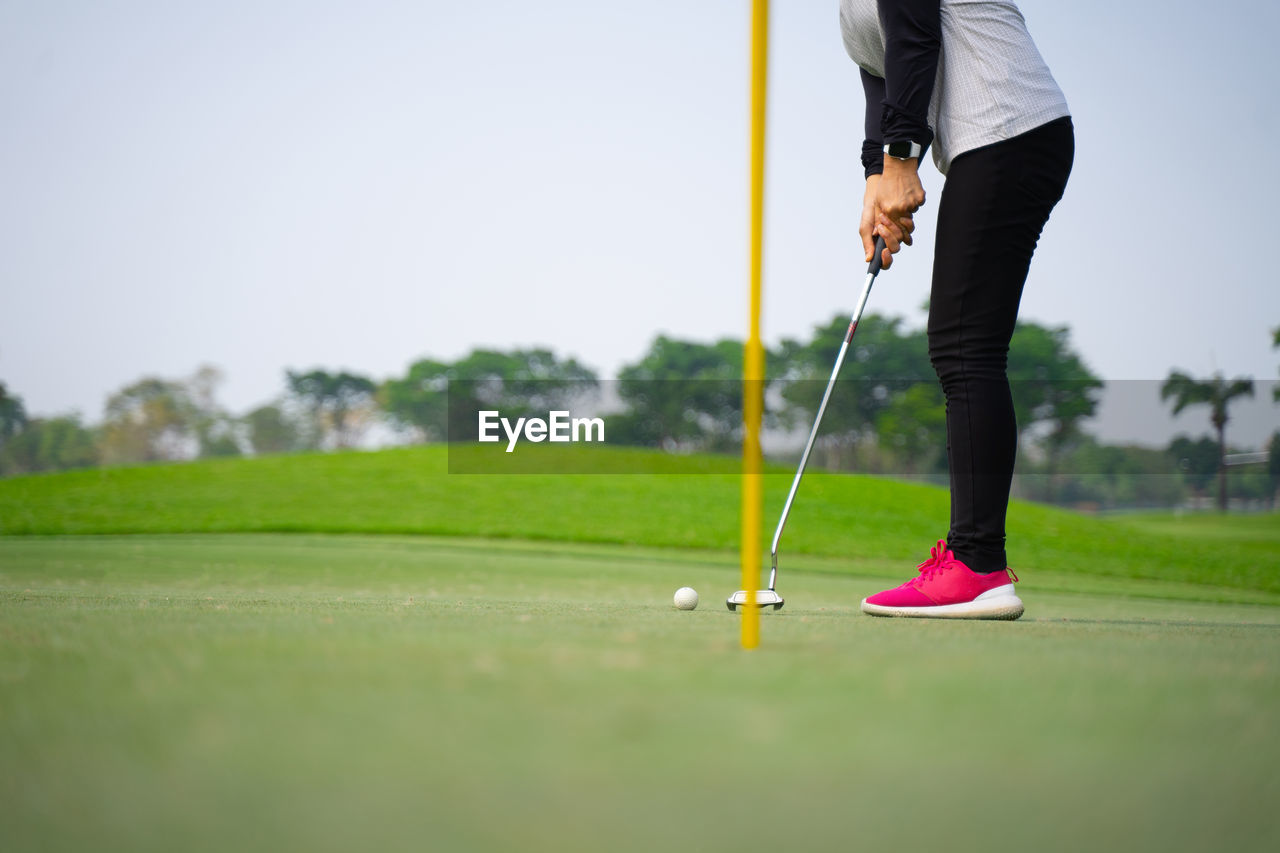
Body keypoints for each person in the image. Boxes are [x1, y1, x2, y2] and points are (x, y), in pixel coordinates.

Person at [842, 0, 1074, 619]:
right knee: (962, 346)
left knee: (965, 346)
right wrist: (877, 178)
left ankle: (976, 566)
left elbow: (917, 39)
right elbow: (883, 73)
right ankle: (977, 563)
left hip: (1010, 129)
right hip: (996, 142)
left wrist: (901, 161)